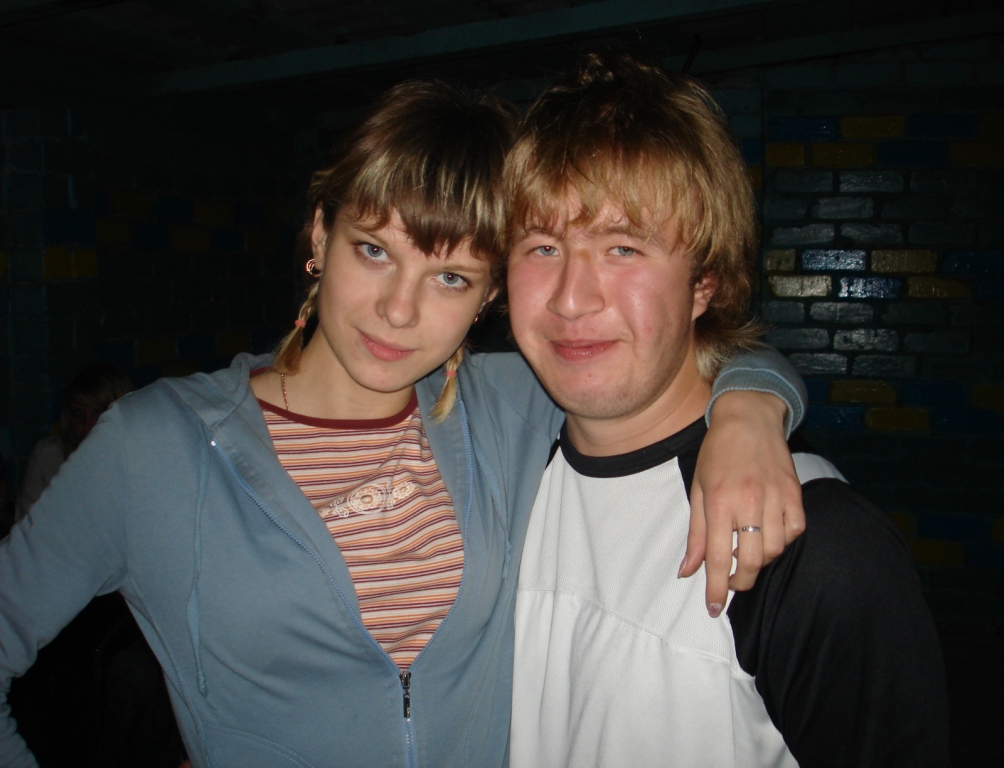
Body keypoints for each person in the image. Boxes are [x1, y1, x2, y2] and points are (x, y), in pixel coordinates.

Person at [0, 80, 805, 768]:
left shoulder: (512, 404)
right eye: (375, 251)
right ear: (322, 235)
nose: (398, 309)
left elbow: (694, 355)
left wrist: (750, 410)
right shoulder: (154, 446)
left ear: (489, 296)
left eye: (450, 276)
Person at [506, 54, 949, 768]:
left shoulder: (816, 551)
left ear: (704, 284)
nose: (570, 298)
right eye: (542, 246)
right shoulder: (494, 464)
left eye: (623, 247)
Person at [14, 362, 133, 522]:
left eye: (99, 413)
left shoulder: (141, 462)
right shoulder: (48, 456)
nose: (87, 425)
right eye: (78, 414)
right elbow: (27, 526)